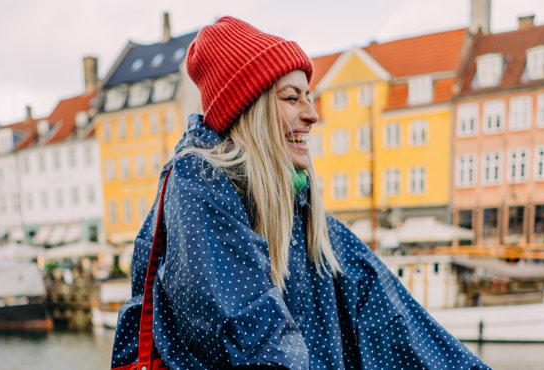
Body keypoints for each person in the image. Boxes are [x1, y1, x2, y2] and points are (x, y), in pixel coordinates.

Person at [110, 16, 490, 370]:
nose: (313, 114)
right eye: (292, 98)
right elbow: (252, 334)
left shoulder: (302, 212)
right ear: (249, 111)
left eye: (309, 96)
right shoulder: (199, 184)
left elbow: (392, 320)